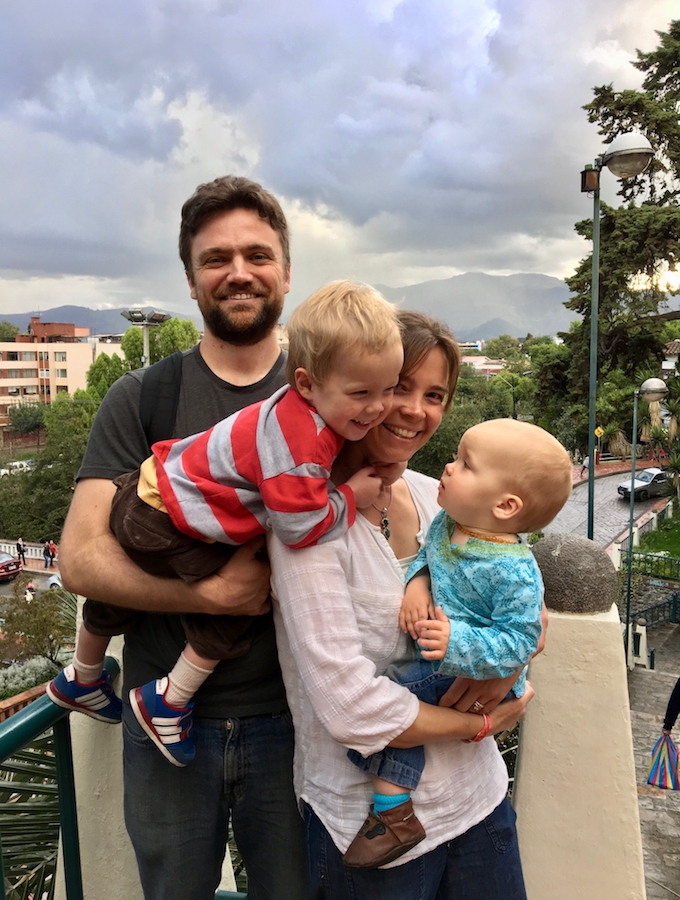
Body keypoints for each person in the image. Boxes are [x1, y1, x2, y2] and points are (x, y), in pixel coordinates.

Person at [58, 175, 308, 900]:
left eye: (257, 255)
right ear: (193, 280)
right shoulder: (142, 397)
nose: (238, 272)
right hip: (163, 720)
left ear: (286, 271)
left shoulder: (324, 398)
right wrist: (210, 591)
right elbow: (80, 557)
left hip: (297, 720)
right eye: (215, 258)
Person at [49, 281, 402, 768]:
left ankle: (82, 675)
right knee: (237, 601)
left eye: (389, 390)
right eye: (361, 393)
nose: (378, 408)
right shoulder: (302, 441)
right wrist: (349, 496)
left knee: (127, 584)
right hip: (167, 521)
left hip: (147, 495)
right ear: (305, 383)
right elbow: (298, 527)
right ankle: (168, 699)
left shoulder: (295, 407)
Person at [270, 311, 536, 899]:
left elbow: (520, 606)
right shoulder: (308, 526)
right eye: (398, 388)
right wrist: (481, 723)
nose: (415, 409)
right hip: (370, 834)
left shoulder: (436, 497)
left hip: (478, 803)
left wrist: (511, 667)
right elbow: (352, 713)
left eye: (434, 394)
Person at [343, 418, 572, 868]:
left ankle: (394, 813)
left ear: (505, 506)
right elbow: (429, 557)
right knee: (396, 695)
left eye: (465, 465)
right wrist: (418, 586)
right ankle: (396, 810)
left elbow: (521, 638)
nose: (448, 468)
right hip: (450, 660)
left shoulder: (513, 570)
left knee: (391, 701)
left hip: (478, 667)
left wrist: (456, 640)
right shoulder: (451, 521)